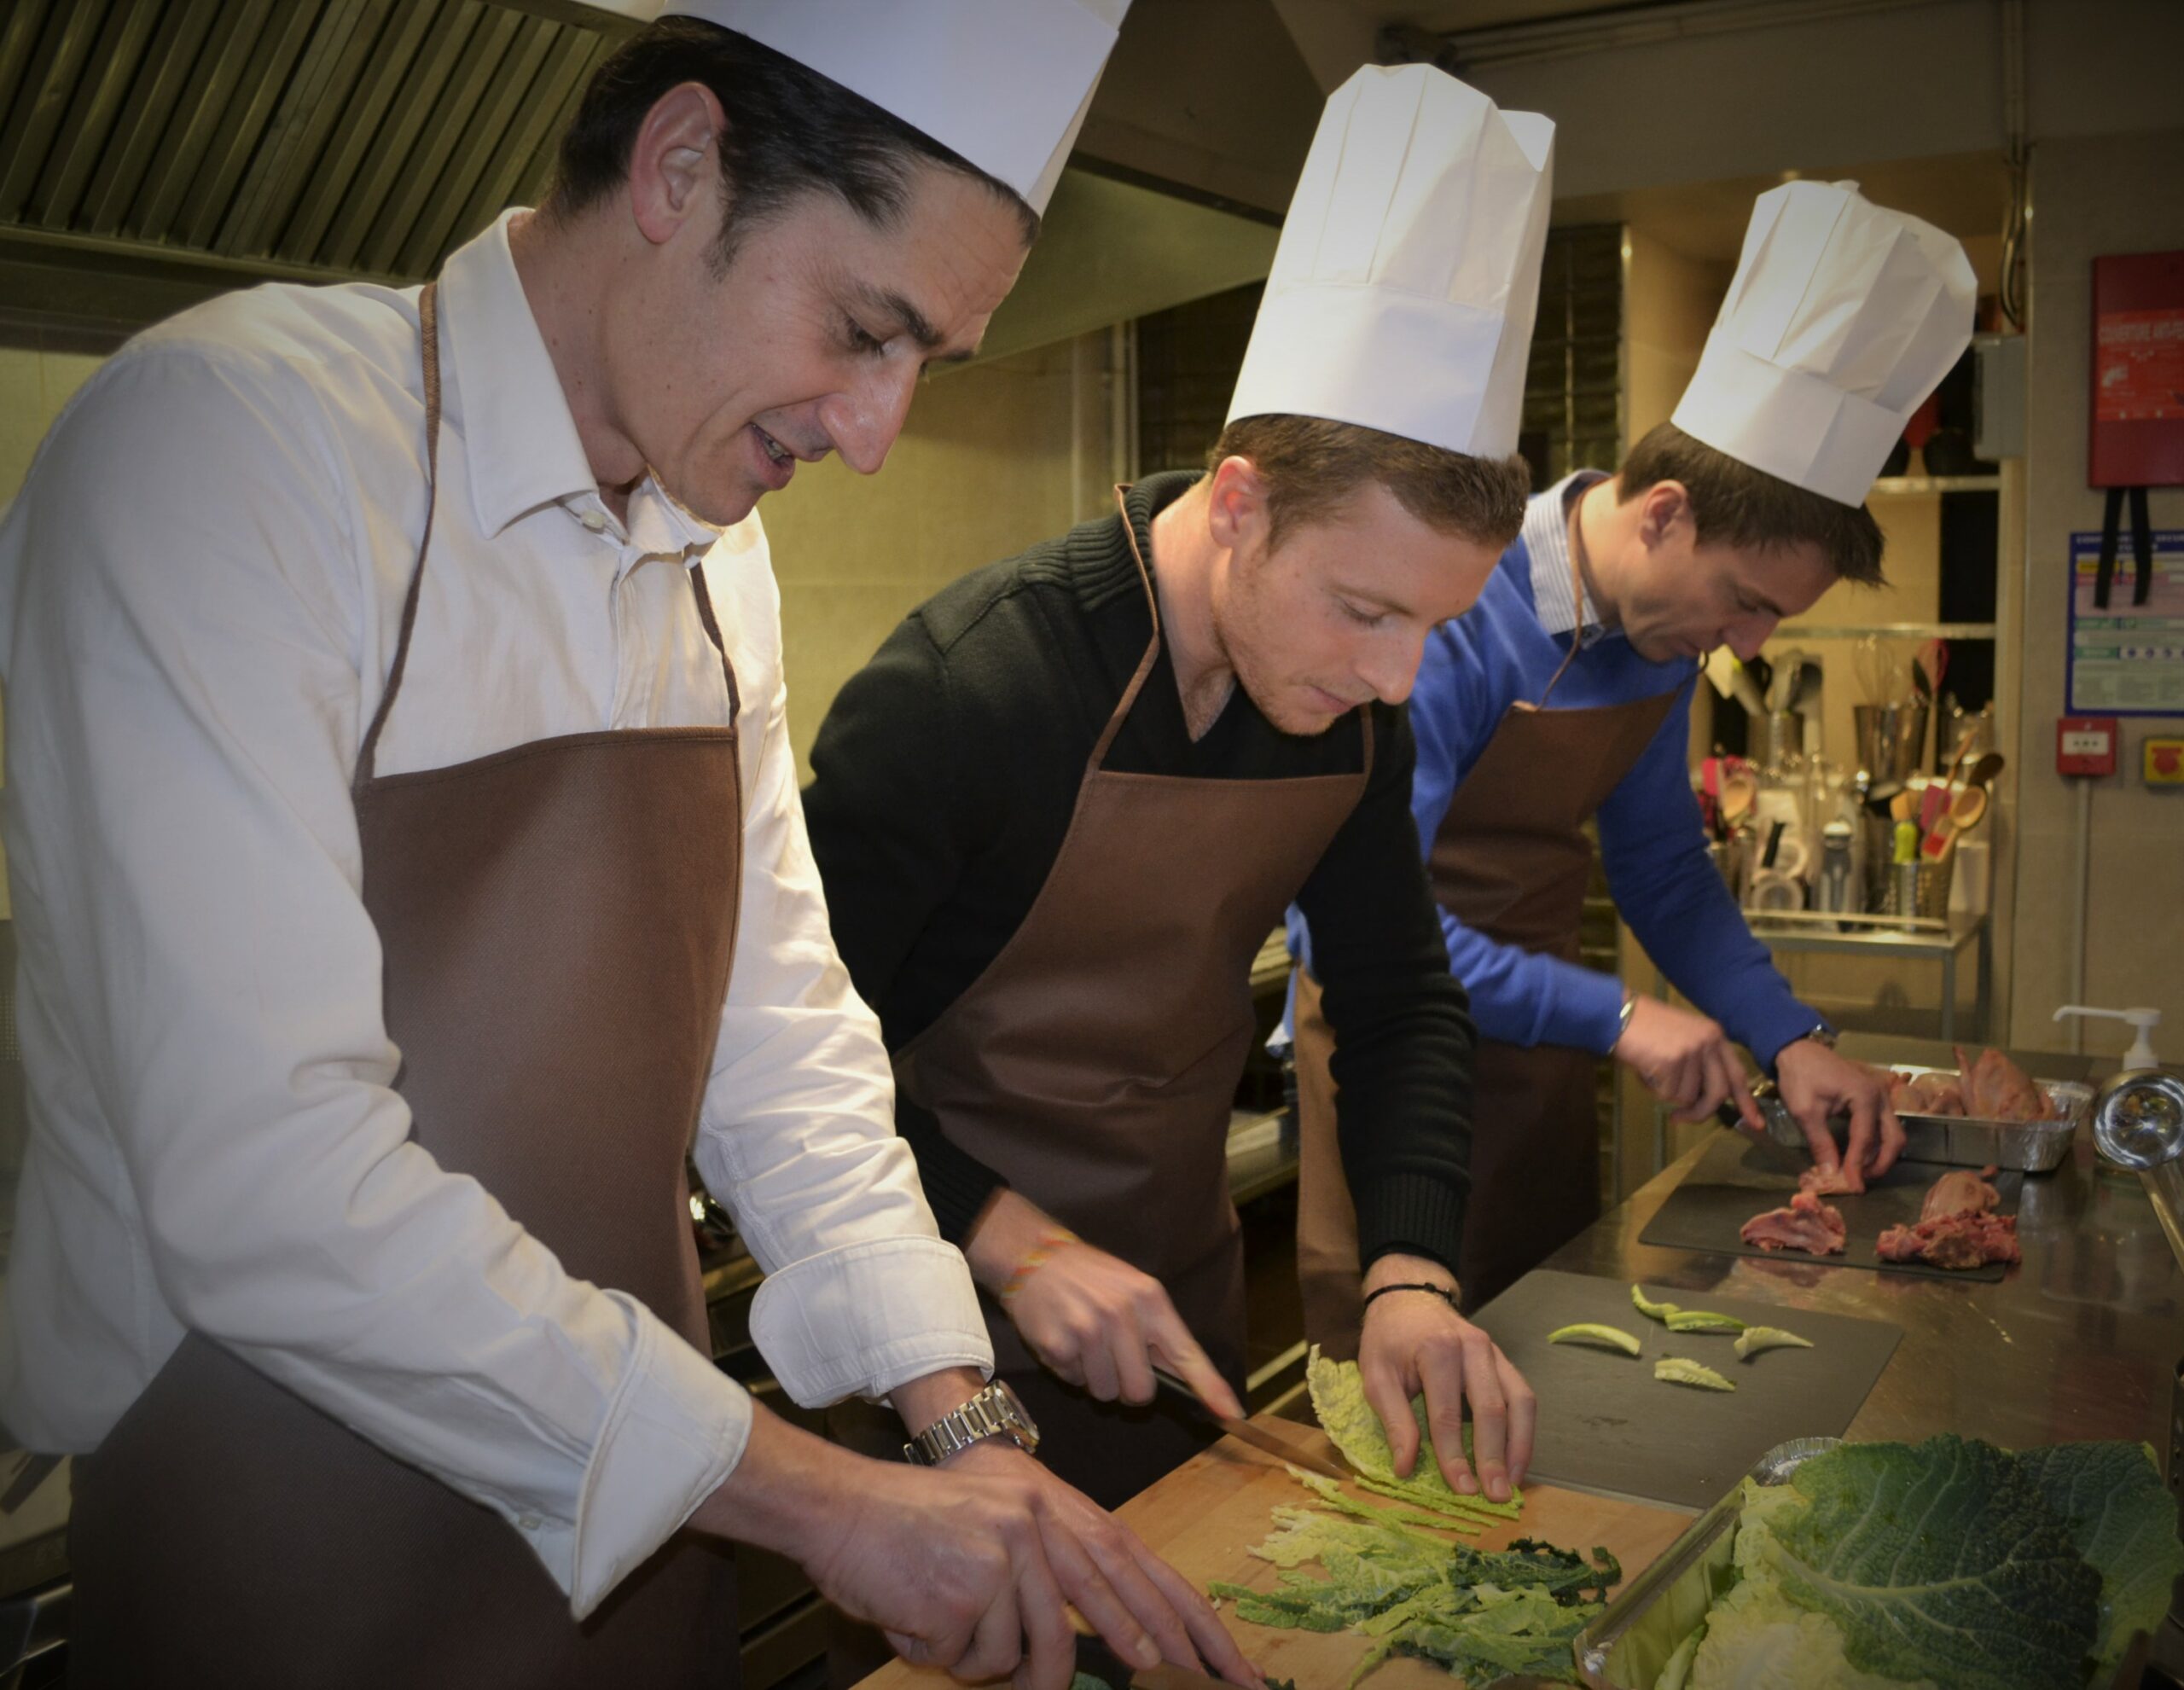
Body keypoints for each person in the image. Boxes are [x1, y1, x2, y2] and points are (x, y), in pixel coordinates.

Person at [0, 4, 1261, 1687]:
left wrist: (953, 1414)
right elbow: (261, 1169)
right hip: (286, 1530)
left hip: (650, 1540)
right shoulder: (235, 450)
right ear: (679, 167)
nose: (874, 433)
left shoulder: (708, 552)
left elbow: (783, 1037)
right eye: (861, 330)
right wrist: (819, 1504)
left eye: (922, 368)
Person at [804, 65, 1554, 1525]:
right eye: (1363, 611)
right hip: (940, 1359)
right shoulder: (967, 696)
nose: (1399, 680)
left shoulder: (1348, 712)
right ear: (1238, 502)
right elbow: (791, 1074)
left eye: (1433, 630)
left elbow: (1401, 1000)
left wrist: (1408, 1272)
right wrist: (1010, 1241)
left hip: (1187, 1330)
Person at [1289, 179, 1978, 1345]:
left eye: (1774, 622)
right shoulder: (1457, 611)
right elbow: (1345, 928)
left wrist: (1790, 1035)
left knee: (1545, 1364)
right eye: (1745, 602)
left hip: (1544, 1060)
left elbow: (1660, 865)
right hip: (1398, 1062)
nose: (1747, 645)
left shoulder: (1657, 638)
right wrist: (1618, 1016)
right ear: (1663, 514)